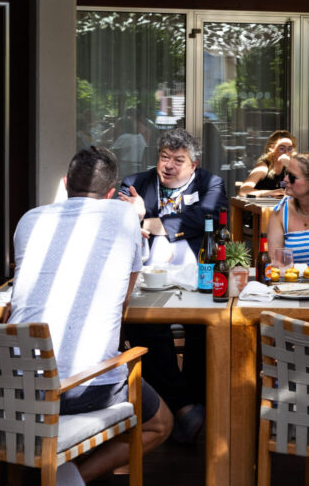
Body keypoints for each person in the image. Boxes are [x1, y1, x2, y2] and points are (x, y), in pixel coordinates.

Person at [9, 146, 172, 483]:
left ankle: (52, 468)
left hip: (15, 383)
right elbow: (123, 304)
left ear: (66, 183)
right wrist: (137, 215)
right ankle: (70, 479)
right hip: (81, 389)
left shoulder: (30, 219)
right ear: (111, 193)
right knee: (160, 422)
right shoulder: (125, 216)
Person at [118, 128, 227, 444]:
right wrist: (138, 219)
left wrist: (148, 221)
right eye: (164, 157)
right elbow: (122, 221)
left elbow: (205, 218)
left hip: (197, 278)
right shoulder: (134, 183)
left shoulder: (211, 183)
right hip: (147, 280)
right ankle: (184, 408)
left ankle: (193, 408)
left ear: (193, 164)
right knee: (145, 330)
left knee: (206, 331)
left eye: (178, 160)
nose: (168, 166)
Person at [238, 129, 296, 198]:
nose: (286, 153)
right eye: (282, 148)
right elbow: (243, 191)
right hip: (260, 207)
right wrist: (271, 193)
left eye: (290, 149)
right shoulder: (263, 167)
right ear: (271, 148)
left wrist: (291, 166)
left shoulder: (289, 166)